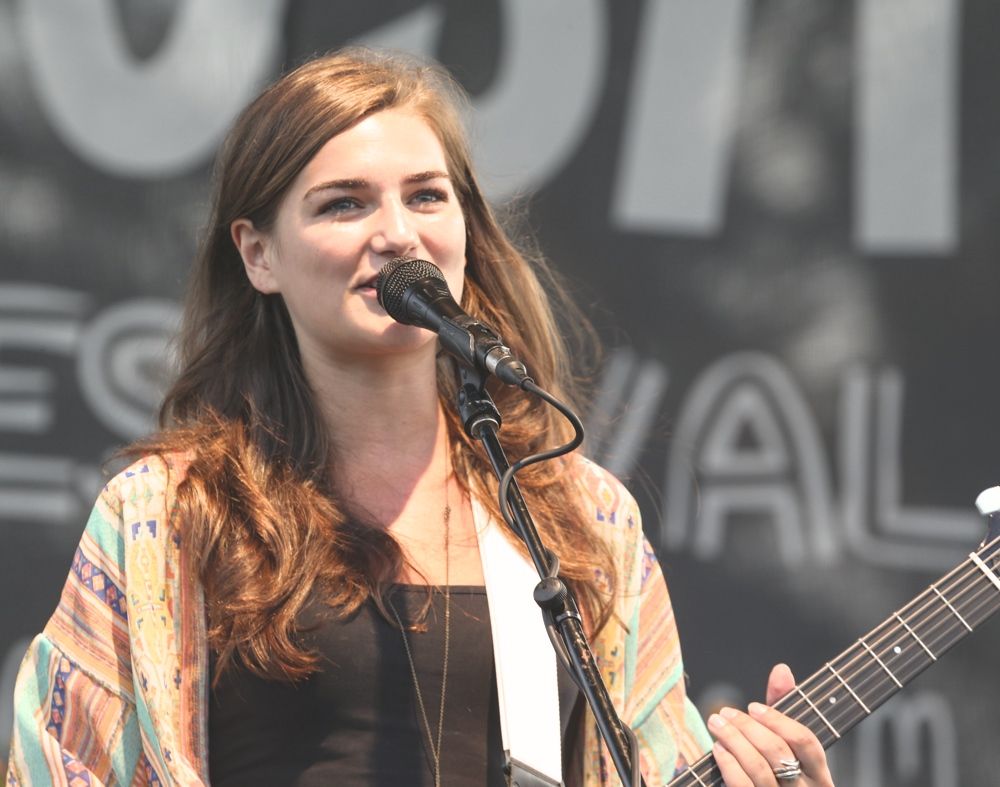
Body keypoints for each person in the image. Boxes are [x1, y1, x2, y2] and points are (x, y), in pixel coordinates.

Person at [4, 48, 833, 786]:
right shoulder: (168, 513)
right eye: (344, 204)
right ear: (258, 254)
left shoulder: (581, 517)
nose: (398, 234)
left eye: (427, 197)